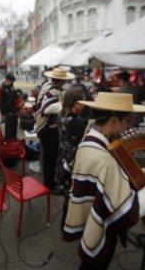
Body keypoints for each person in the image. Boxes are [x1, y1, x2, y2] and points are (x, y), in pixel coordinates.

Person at [62, 92, 145, 270]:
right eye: (128, 121)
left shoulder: (90, 139)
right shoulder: (104, 158)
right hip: (100, 226)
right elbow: (125, 211)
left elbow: (110, 178)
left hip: (93, 215)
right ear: (114, 121)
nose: (128, 126)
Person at [35, 67, 75, 194]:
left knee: (49, 156)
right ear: (62, 81)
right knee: (50, 157)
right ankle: (48, 184)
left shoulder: (47, 86)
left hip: (45, 128)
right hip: (48, 129)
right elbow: (46, 109)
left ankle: (49, 180)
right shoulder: (52, 91)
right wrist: (62, 105)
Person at [57, 86, 89, 228]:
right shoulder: (77, 122)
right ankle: (67, 223)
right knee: (71, 192)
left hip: (63, 158)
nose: (83, 106)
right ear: (75, 103)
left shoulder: (62, 114)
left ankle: (65, 222)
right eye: (82, 103)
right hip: (71, 160)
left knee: (66, 191)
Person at [0, 72, 18, 139]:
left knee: (14, 128)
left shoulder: (12, 87)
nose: (12, 82)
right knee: (9, 130)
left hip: (14, 111)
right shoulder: (3, 89)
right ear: (7, 79)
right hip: (7, 113)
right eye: (11, 81)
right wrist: (3, 114)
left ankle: (14, 141)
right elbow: (1, 102)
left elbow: (15, 96)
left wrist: (18, 95)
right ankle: (9, 143)